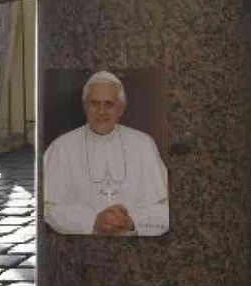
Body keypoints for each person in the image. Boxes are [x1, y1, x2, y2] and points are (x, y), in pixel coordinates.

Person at [43, 71, 169, 236]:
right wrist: (92, 221)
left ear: (121, 108)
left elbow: (165, 207)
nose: (101, 111)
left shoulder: (144, 144)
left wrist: (131, 221)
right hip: (82, 246)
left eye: (109, 104)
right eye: (94, 103)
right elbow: (48, 207)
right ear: (85, 106)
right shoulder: (62, 147)